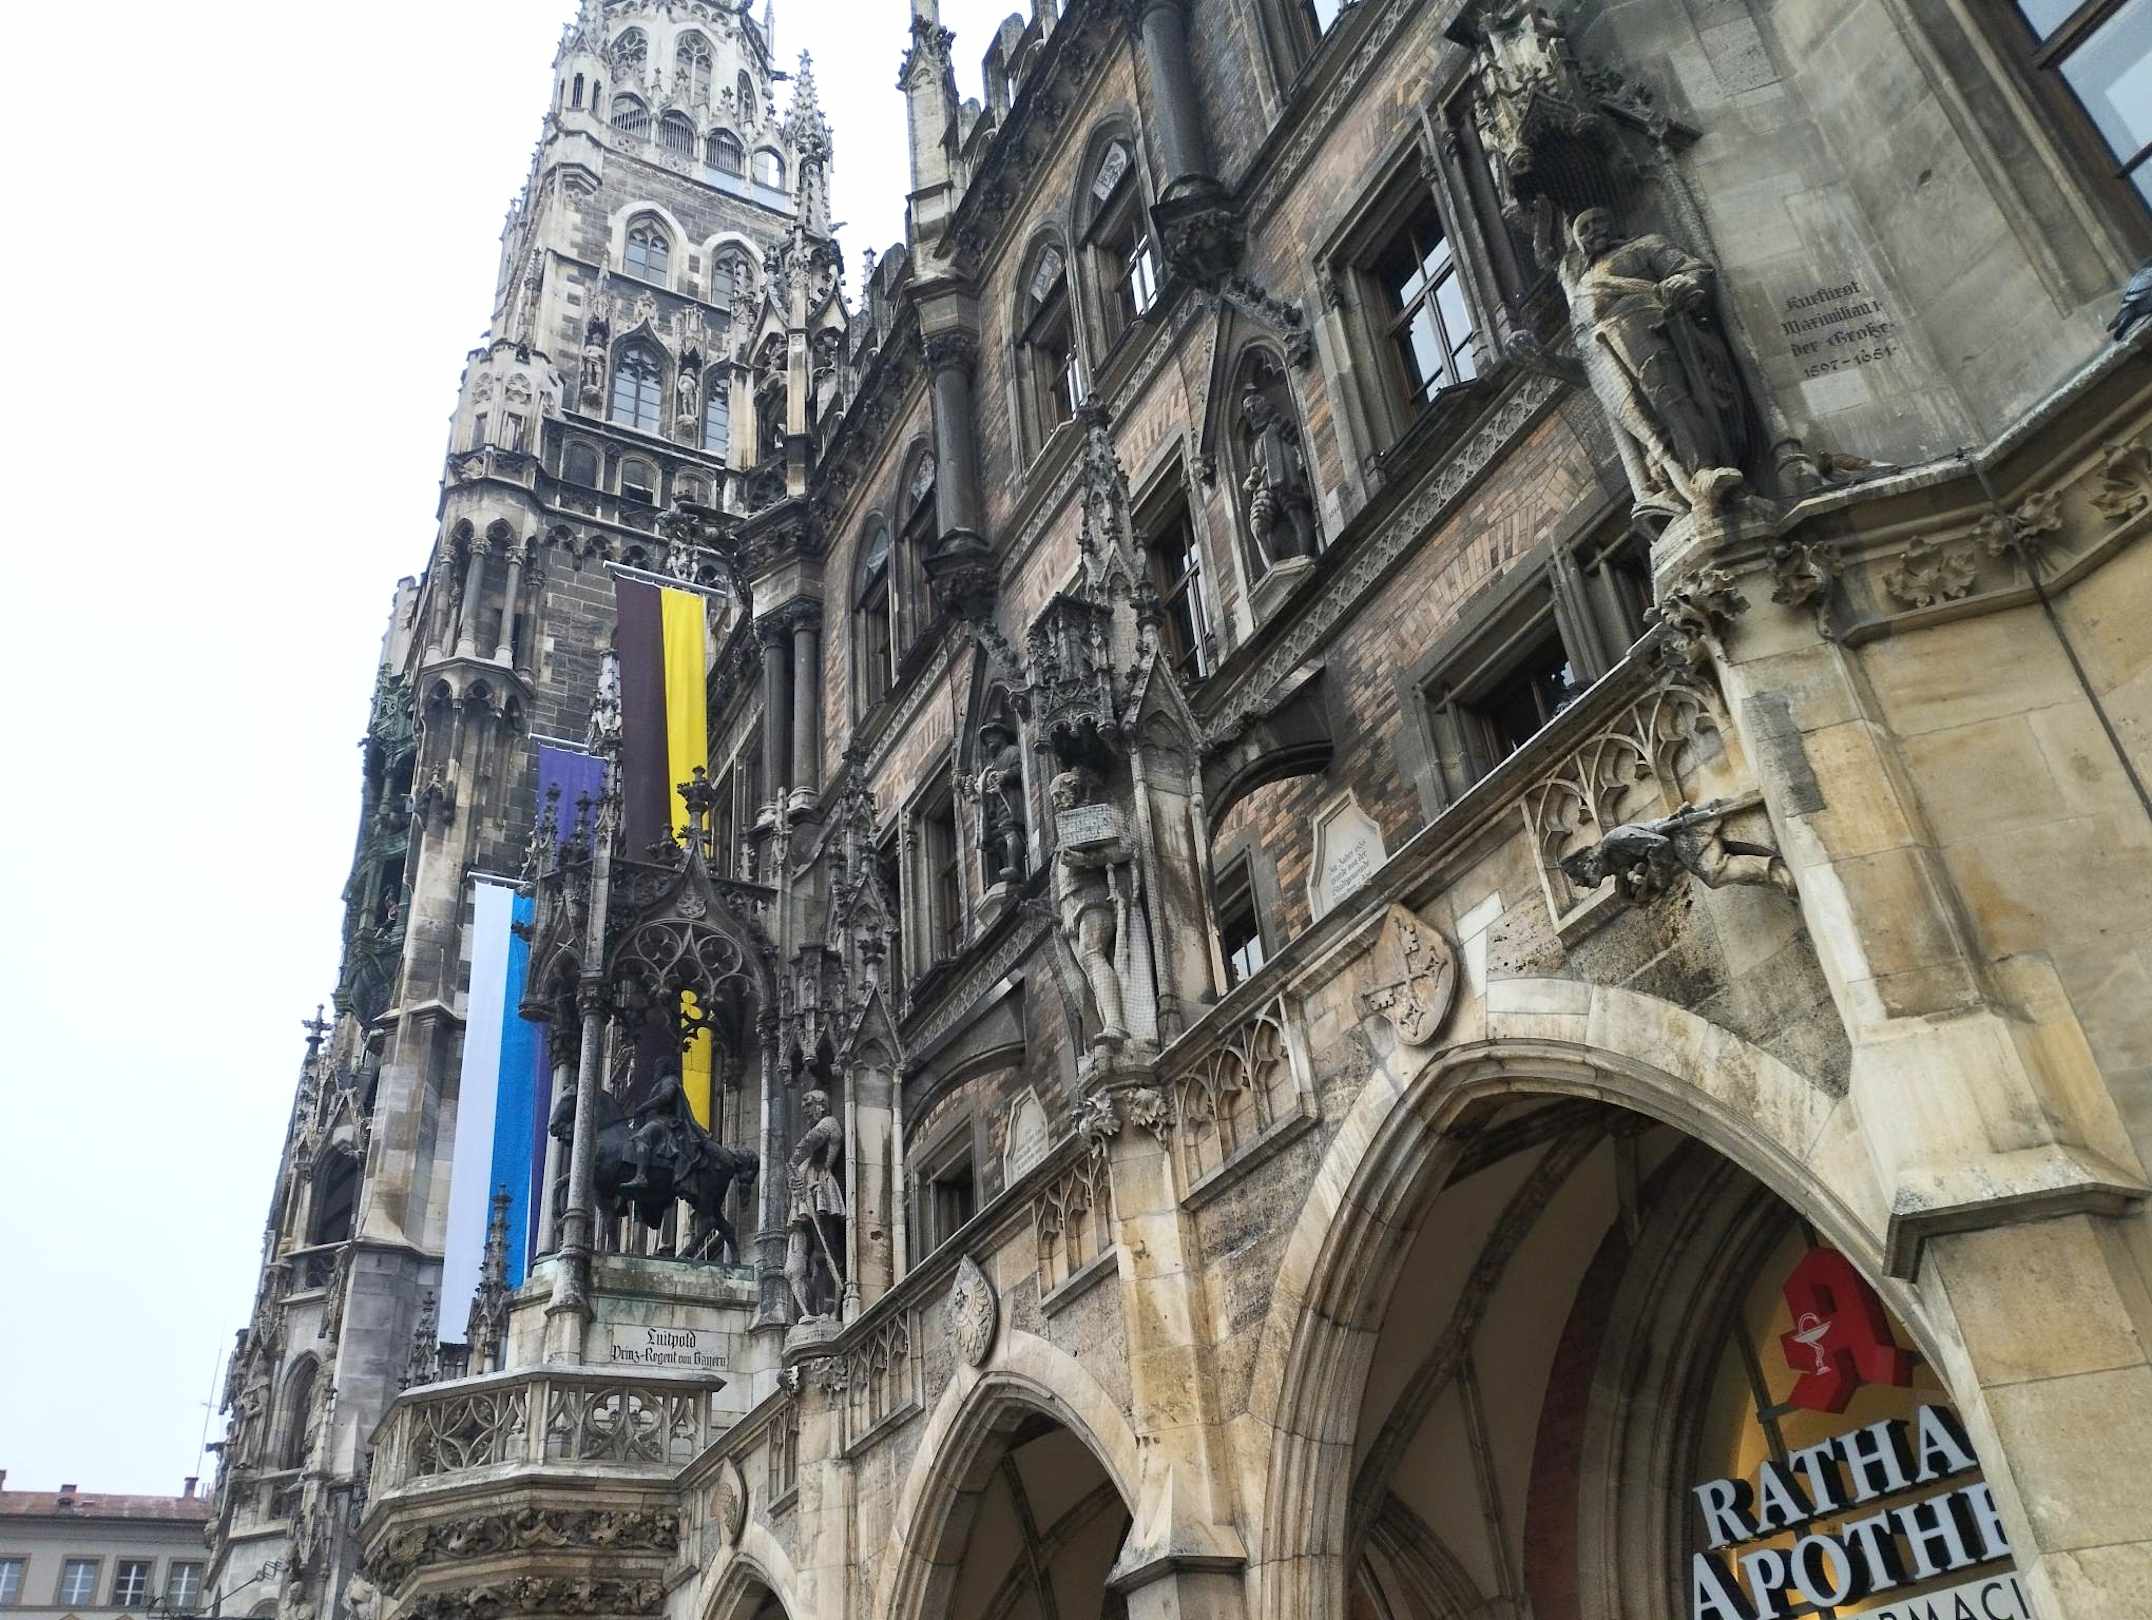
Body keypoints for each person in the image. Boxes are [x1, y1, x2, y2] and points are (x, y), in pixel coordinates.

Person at [1563, 208, 1748, 517]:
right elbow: (1587, 365)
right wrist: (1544, 362)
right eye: (1585, 228)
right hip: (1610, 355)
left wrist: (1683, 284)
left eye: (1599, 221)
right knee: (1653, 428)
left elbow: (1693, 269)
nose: (1594, 230)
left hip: (1651, 327)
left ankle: (1703, 469)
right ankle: (1685, 487)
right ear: (1579, 243)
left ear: (1614, 223)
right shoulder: (1581, 288)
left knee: (1672, 398)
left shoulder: (1645, 245)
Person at [784, 1089, 847, 1320]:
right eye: (804, 1108)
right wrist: (794, 1179)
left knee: (825, 1250)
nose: (806, 1113)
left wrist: (792, 1164)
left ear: (822, 1105)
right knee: (803, 1261)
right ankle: (812, 1310)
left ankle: (830, 1310)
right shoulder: (819, 1126)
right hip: (805, 1194)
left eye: (809, 1106)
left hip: (820, 1189)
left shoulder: (829, 1123)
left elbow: (808, 1144)